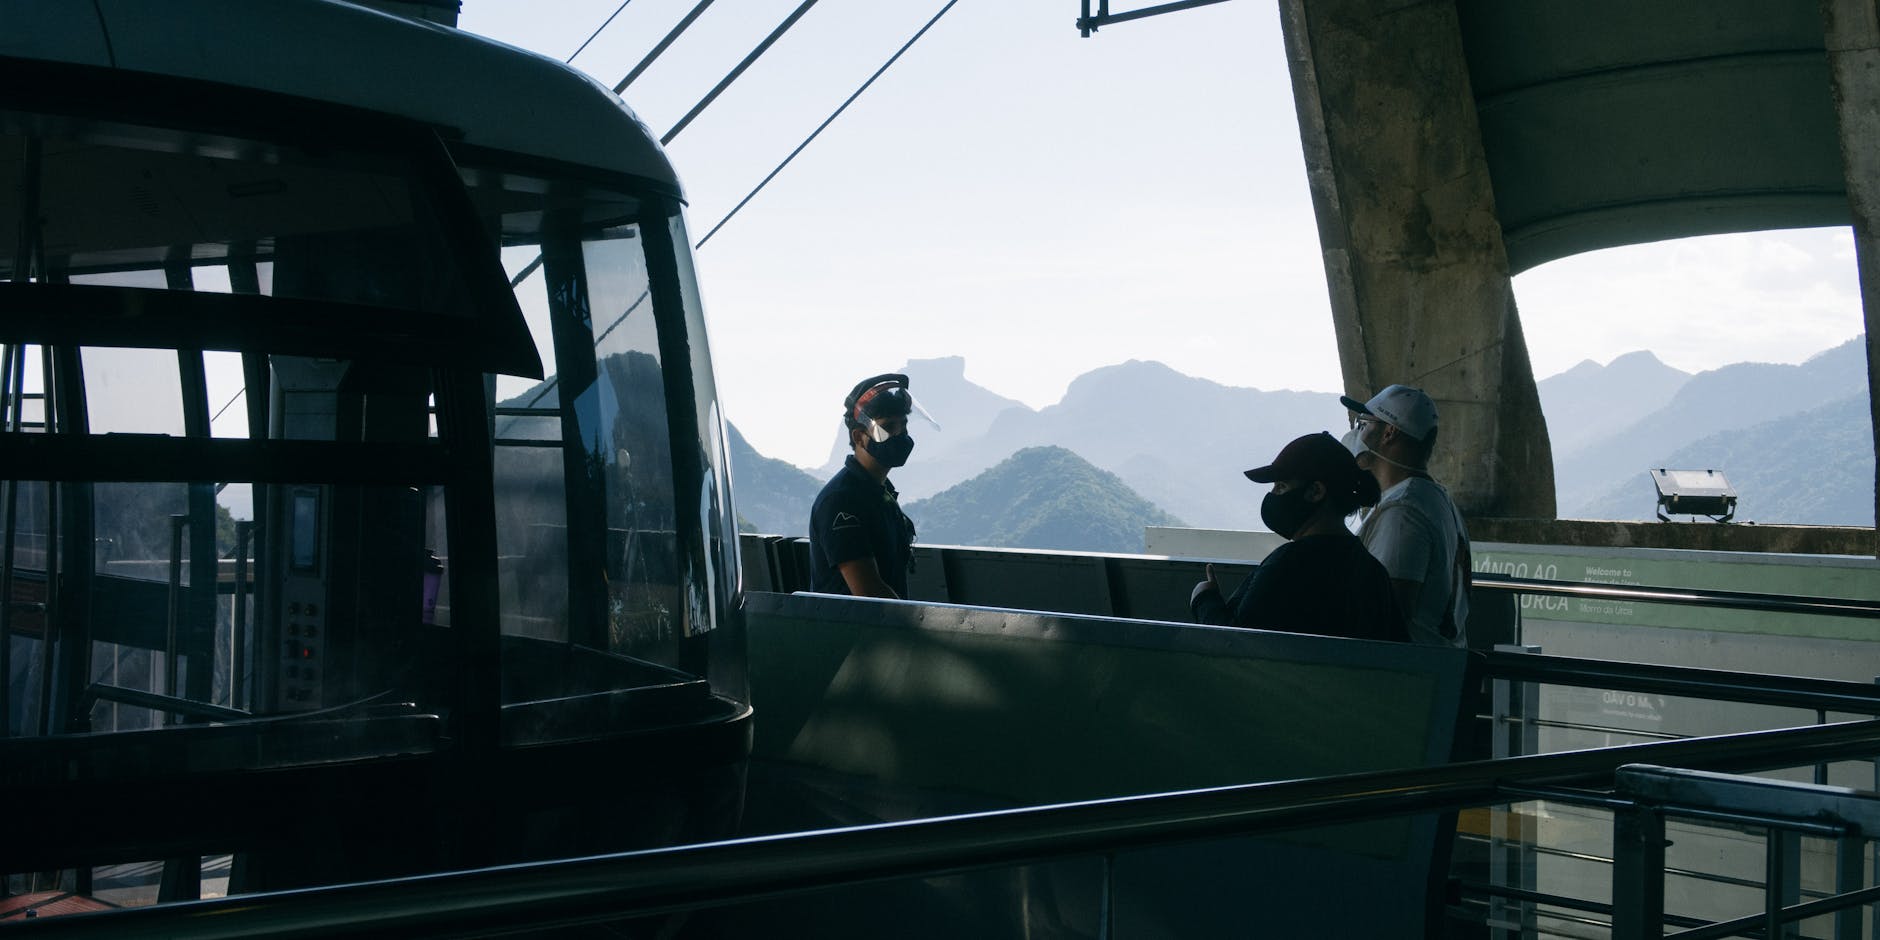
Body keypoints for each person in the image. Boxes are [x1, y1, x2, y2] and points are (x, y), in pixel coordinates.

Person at [1190, 432, 1406, 642]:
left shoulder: (1289, 564)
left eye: (1281, 486)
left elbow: (1237, 643)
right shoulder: (1370, 569)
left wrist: (1204, 599)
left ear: (1315, 492)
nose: (1273, 495)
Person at [1339, 384, 1472, 648]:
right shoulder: (1437, 499)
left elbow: (1389, 613)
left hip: (1409, 679)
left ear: (1389, 433)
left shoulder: (1403, 511)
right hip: (1439, 668)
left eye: (1364, 424)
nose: (1357, 433)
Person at [807, 373, 934, 598]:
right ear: (858, 437)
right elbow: (869, 592)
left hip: (879, 628)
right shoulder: (841, 501)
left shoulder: (879, 491)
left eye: (903, 425)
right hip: (853, 630)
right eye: (887, 428)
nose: (899, 435)